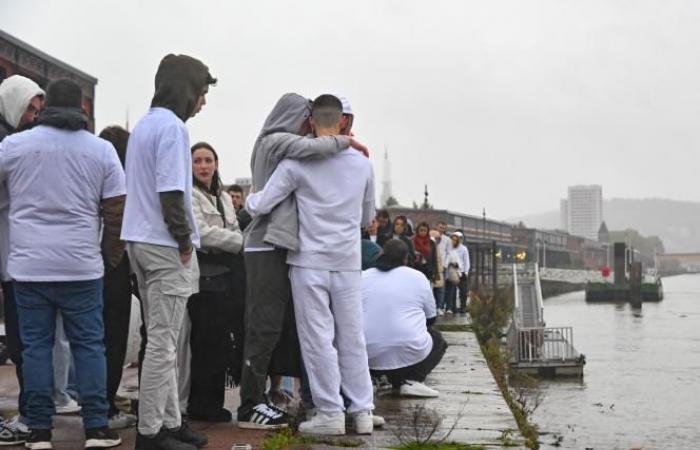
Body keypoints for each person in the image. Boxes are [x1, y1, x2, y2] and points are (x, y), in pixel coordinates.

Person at [0, 78, 123, 448]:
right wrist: (108, 257)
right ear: (81, 108)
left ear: (47, 106)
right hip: (82, 267)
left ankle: (38, 429)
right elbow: (117, 210)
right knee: (90, 345)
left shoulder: (13, 146)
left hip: (28, 267)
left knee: (36, 347)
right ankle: (97, 426)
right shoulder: (101, 150)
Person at [246, 94, 376, 436]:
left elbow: (262, 205)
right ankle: (362, 411)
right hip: (347, 261)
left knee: (318, 338)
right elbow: (367, 217)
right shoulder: (363, 163)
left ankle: (330, 412)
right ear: (343, 122)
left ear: (311, 121)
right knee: (352, 337)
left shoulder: (295, 163)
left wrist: (248, 197)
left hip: (308, 262)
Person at [121, 54, 214, 450]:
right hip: (164, 244)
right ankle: (150, 433)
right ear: (187, 90)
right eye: (202, 92)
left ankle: (171, 422)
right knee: (163, 342)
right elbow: (172, 192)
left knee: (163, 338)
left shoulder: (145, 124)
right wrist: (183, 241)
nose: (203, 102)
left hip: (139, 240)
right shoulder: (174, 129)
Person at [0, 74, 44, 446]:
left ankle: (31, 414)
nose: (32, 115)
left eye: (37, 109)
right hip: (12, 255)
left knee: (24, 341)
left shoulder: (16, 140)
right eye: (28, 106)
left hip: (17, 257)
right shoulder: (9, 143)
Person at [187, 142, 244, 422]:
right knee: (204, 344)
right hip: (203, 279)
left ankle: (215, 403)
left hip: (226, 279)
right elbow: (204, 235)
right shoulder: (190, 195)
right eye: (197, 161)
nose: (203, 166)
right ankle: (200, 405)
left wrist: (230, 240)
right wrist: (238, 243)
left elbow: (229, 228)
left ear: (216, 163)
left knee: (221, 344)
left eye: (208, 160)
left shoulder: (222, 197)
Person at [362, 239, 447, 398]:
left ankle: (372, 379)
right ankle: (412, 380)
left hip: (368, 352)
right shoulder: (418, 277)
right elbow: (431, 318)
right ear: (406, 258)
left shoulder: (363, 276)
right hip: (410, 352)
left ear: (381, 254)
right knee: (437, 339)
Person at [98, 125, 138, 430]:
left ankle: (95, 403)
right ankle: (106, 406)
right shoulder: (127, 180)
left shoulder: (90, 171)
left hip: (85, 264)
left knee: (89, 342)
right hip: (116, 265)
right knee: (113, 340)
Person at [429, 229, 446, 314]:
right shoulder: (430, 247)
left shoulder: (438, 247)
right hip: (432, 272)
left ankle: (439, 307)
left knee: (440, 290)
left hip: (439, 271)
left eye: (438, 238)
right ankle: (433, 307)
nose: (436, 240)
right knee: (431, 291)